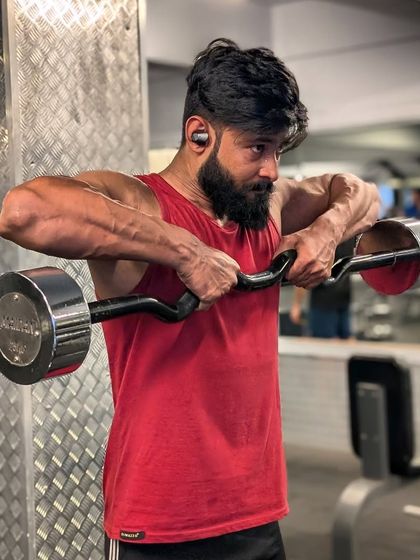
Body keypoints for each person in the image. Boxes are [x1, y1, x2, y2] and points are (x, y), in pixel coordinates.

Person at [0, 38, 379, 560]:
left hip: (257, 512)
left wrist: (325, 232)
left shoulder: (265, 207)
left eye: (277, 151)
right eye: (256, 149)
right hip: (159, 521)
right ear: (199, 134)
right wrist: (185, 251)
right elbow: (24, 211)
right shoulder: (143, 203)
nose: (272, 169)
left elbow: (357, 191)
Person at [290, 238, 355, 339]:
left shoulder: (320, 236)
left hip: (328, 301)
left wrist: (297, 304)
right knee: (341, 341)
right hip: (335, 298)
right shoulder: (348, 233)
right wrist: (297, 304)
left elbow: (305, 270)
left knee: (330, 344)